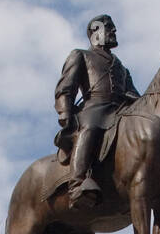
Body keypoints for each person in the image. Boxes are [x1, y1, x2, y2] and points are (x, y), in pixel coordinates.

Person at [54, 14, 140, 208]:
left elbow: (132, 93)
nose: (114, 31)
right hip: (94, 108)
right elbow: (65, 87)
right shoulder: (81, 55)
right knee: (90, 127)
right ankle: (77, 184)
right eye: (109, 27)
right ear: (95, 32)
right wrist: (64, 111)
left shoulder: (122, 68)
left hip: (120, 110)